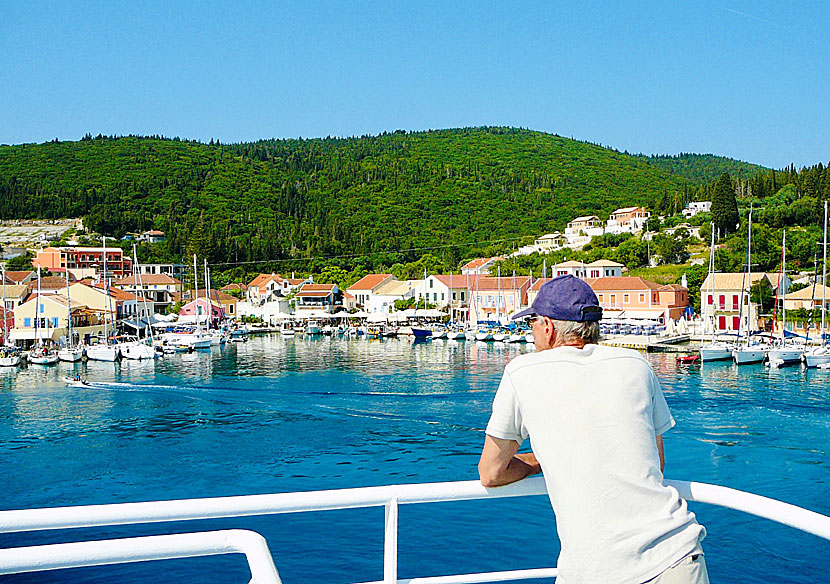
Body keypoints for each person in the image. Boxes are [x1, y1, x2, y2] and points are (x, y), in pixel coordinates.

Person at [478, 275, 707, 584]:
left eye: (531, 322)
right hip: (677, 556)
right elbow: (657, 462)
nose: (530, 332)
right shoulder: (636, 364)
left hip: (597, 569)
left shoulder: (522, 373)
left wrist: (540, 461)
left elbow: (491, 473)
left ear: (547, 327)